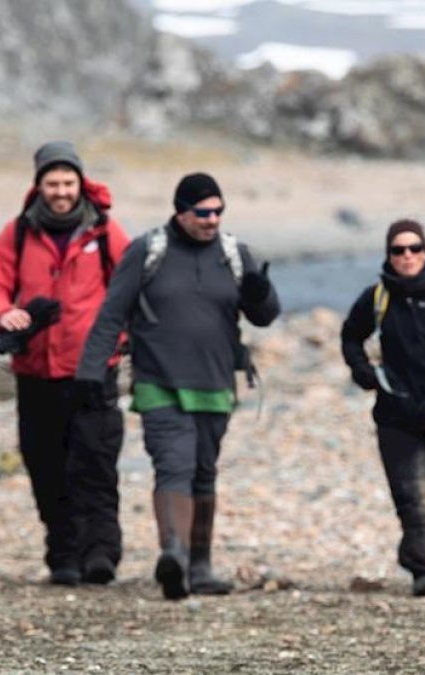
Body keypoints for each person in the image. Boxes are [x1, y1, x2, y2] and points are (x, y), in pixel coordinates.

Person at [76, 172, 280, 600]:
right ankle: (175, 555)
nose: (211, 220)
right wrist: (91, 372)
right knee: (174, 464)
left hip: (216, 383)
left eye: (218, 212)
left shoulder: (233, 254)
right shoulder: (148, 252)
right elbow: (112, 314)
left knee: (204, 471)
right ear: (180, 211)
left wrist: (261, 294)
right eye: (202, 212)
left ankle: (200, 567)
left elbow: (264, 316)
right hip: (158, 383)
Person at [0, 141, 130, 586]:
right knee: (45, 465)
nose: (60, 191)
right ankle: (62, 555)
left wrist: (120, 340)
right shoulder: (18, 233)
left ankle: (101, 554)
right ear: (38, 185)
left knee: (96, 463)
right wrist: (4, 314)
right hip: (36, 372)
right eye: (52, 183)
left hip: (94, 371)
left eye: (67, 182)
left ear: (81, 183)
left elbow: (134, 289)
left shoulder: (105, 231)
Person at [340, 220, 425, 598]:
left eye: (414, 248)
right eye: (398, 250)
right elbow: (351, 336)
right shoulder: (376, 298)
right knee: (414, 497)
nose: (407, 256)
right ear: (389, 256)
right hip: (395, 410)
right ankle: (424, 571)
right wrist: (363, 371)